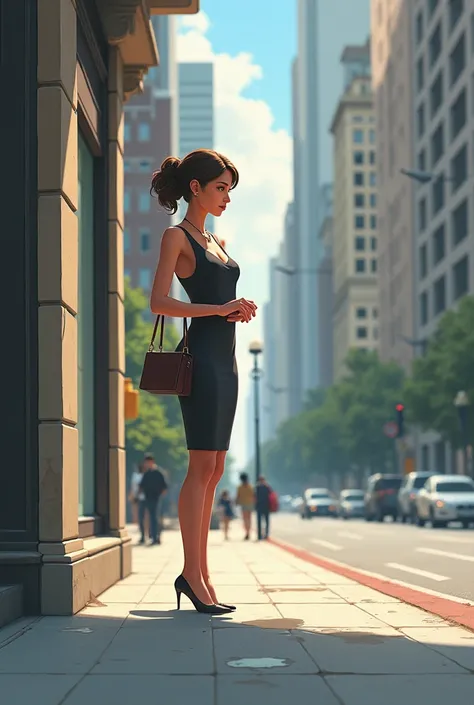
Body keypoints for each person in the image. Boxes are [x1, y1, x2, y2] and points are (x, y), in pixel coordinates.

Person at [149, 149, 258, 614]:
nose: (226, 197)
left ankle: (202, 574)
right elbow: (159, 303)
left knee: (214, 470)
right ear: (195, 187)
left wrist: (239, 306)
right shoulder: (176, 237)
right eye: (220, 188)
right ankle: (192, 574)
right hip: (200, 359)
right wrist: (217, 309)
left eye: (230, 190)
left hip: (227, 360)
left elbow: (221, 295)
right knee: (200, 469)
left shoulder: (218, 239)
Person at [138, 454, 168, 545]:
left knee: (155, 518)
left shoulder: (159, 473)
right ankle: (150, 536)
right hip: (147, 498)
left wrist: (160, 495)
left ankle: (156, 537)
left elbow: (164, 487)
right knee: (148, 518)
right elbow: (141, 486)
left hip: (156, 498)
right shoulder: (146, 474)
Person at [236, 472, 254, 540]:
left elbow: (238, 496)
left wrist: (236, 503)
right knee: (249, 519)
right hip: (250, 504)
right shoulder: (250, 486)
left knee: (245, 519)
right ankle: (248, 532)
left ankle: (247, 533)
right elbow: (253, 495)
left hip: (243, 504)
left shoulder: (240, 487)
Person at [255, 476, 272, 541]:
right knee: (265, 521)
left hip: (261, 506)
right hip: (265, 506)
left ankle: (262, 535)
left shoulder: (258, 487)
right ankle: (265, 534)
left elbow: (255, 496)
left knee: (262, 521)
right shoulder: (266, 487)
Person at [128, 463, 144, 528]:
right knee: (138, 512)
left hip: (142, 497)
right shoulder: (135, 475)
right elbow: (132, 486)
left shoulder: (142, 475)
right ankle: (139, 525)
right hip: (137, 496)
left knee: (142, 513)